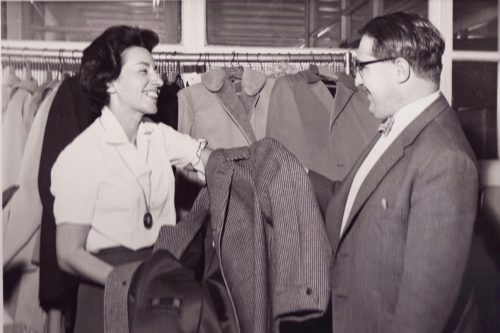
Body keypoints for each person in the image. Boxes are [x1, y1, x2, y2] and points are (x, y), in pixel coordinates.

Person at [310, 12, 479, 333]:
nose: (356, 80)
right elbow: (351, 202)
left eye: (363, 67)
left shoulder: (446, 161)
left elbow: (421, 310)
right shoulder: (401, 126)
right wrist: (297, 173)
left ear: (400, 70)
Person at [50, 25, 211, 333]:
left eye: (156, 70)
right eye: (144, 71)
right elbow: (68, 253)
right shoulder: (81, 154)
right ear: (111, 82)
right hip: (107, 293)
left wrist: (258, 165)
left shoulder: (159, 136)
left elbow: (209, 161)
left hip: (160, 289)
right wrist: (130, 282)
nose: (159, 80)